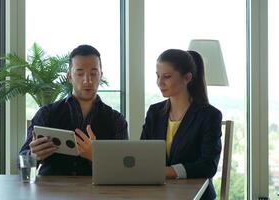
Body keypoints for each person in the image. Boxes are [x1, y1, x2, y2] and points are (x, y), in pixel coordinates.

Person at [19, 44, 128, 176]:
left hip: (96, 194)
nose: (87, 80)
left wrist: (97, 156)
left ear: (101, 75)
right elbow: (20, 164)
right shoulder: (46, 113)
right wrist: (33, 156)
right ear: (69, 76)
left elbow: (124, 168)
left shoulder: (116, 120)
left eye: (93, 73)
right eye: (80, 73)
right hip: (52, 193)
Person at [141, 49, 222, 199]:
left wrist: (167, 171)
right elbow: (142, 154)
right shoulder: (154, 112)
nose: (160, 83)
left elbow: (208, 166)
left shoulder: (209, 115)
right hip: (158, 194)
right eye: (158, 76)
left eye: (167, 77)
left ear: (187, 78)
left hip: (197, 195)